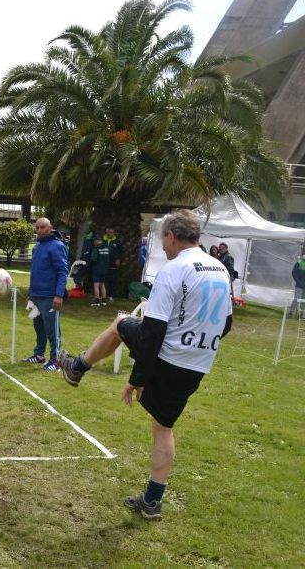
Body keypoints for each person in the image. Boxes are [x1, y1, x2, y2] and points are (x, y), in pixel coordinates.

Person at [57, 209, 233, 520]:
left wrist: (137, 377)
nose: (163, 247)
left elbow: (153, 332)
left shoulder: (175, 269)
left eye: (164, 239)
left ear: (171, 236)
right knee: (164, 427)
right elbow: (227, 323)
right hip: (198, 362)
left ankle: (78, 367)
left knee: (121, 321)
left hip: (168, 355)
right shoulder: (219, 268)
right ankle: (152, 501)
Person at [21, 217, 68, 369]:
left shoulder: (57, 246)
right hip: (36, 296)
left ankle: (56, 360)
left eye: (43, 227)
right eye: (37, 227)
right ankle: (39, 355)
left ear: (50, 228)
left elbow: (62, 272)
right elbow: (35, 272)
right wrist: (31, 293)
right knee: (39, 327)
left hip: (50, 296)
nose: (39, 230)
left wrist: (59, 295)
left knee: (52, 330)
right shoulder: (37, 247)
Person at [90, 236, 111, 307]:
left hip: (97, 269)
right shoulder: (107, 248)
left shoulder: (96, 248)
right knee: (102, 284)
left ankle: (97, 301)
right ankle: (104, 301)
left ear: (97, 241)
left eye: (94, 241)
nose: (94, 243)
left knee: (96, 285)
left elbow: (93, 259)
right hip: (104, 269)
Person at [102, 226, 122, 301]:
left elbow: (120, 252)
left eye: (111, 232)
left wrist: (118, 259)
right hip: (103, 264)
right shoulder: (103, 240)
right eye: (108, 232)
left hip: (112, 265)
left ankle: (111, 295)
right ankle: (103, 295)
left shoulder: (117, 241)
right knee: (103, 280)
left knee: (112, 280)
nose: (109, 234)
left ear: (114, 233)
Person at [291, 248, 305, 316]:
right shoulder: (299, 263)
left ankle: (303, 313)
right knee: (296, 299)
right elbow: (294, 273)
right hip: (299, 285)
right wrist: (298, 281)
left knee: (304, 300)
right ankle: (291, 311)